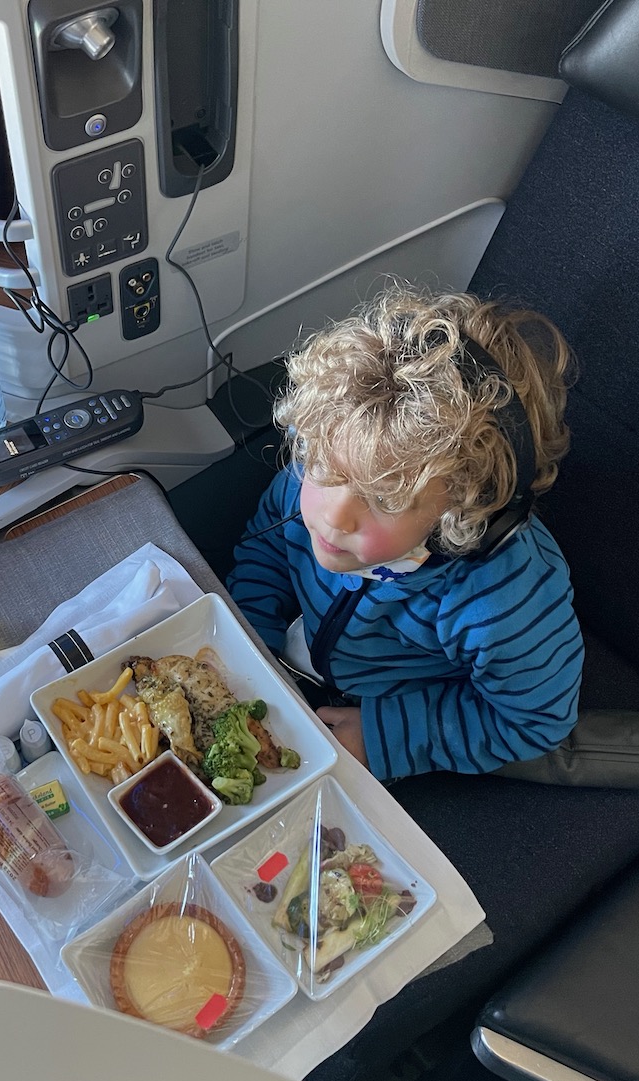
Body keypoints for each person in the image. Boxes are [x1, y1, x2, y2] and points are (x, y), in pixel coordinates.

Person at [226, 286, 583, 781]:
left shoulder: (506, 601)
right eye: (323, 469)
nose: (333, 516)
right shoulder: (324, 459)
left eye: (384, 500)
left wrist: (383, 736)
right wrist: (250, 653)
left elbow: (535, 720)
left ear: (461, 509)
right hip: (294, 665)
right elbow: (265, 551)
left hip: (389, 720)